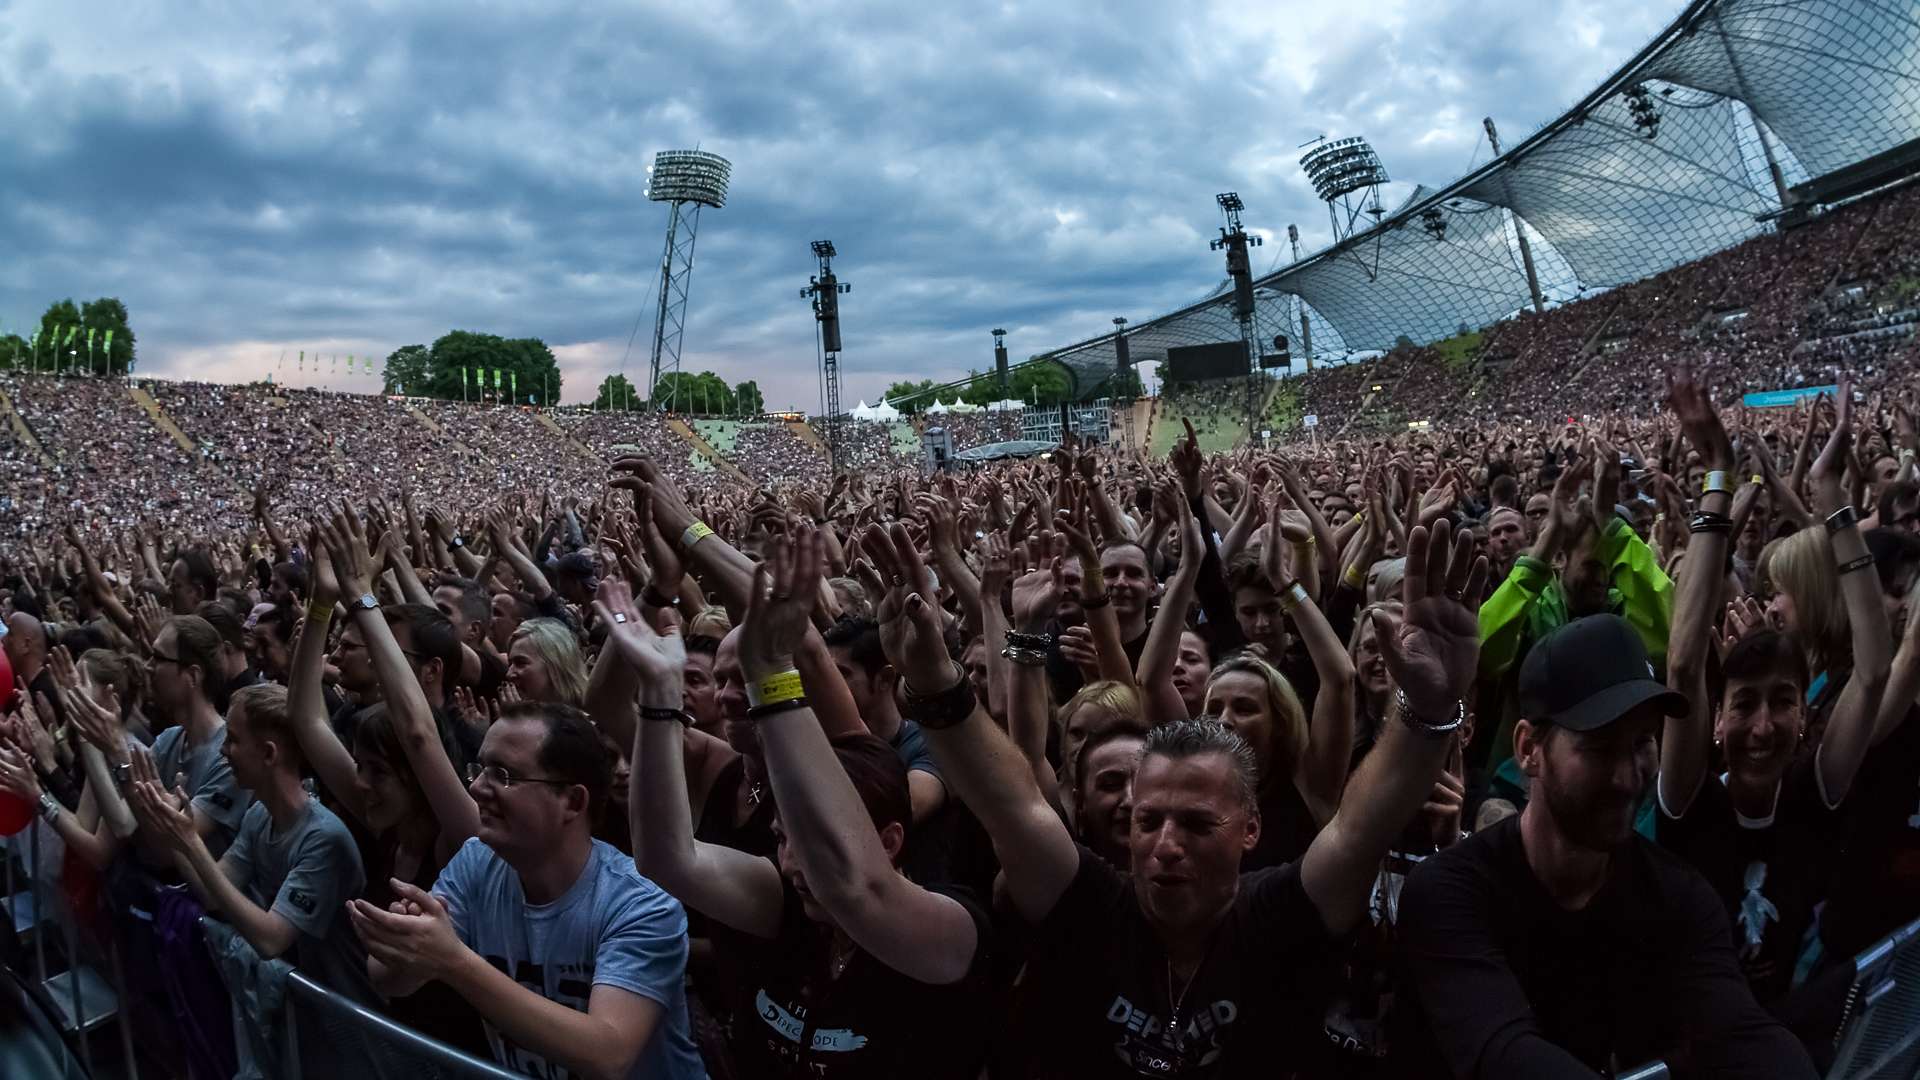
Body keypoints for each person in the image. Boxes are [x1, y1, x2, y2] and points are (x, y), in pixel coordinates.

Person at [863, 517, 1482, 1074]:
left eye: (1196, 823)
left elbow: (1362, 827)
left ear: (1250, 828)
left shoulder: (1277, 915)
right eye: (1148, 818)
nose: (1164, 845)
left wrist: (1429, 708)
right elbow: (1010, 804)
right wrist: (932, 678)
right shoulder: (1096, 906)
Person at [620, 527, 993, 1078]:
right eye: (780, 838)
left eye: (812, 845)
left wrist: (771, 675)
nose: (791, 863)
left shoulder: (954, 926)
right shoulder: (789, 907)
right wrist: (659, 696)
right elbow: (665, 856)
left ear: (889, 841)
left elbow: (857, 889)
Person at [1396, 614, 1816, 1077]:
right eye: (1599, 748)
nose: (1626, 775)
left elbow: (1742, 1033)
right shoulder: (1450, 892)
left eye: (1643, 743)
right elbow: (1504, 1053)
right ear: (1529, 749)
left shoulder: (1678, 898)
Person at [347, 699, 706, 1080]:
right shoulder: (477, 863)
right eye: (480, 769)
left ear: (573, 801)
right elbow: (390, 981)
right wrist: (403, 944)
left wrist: (450, 961)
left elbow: (608, 1053)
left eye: (503, 774)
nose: (478, 787)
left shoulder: (640, 904)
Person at [130, 684, 370, 994]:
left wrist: (188, 841)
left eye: (233, 740)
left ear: (269, 753)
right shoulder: (259, 816)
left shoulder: (322, 838)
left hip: (348, 1013)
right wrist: (175, 834)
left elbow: (270, 939)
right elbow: (215, 892)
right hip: (302, 1010)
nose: (222, 751)